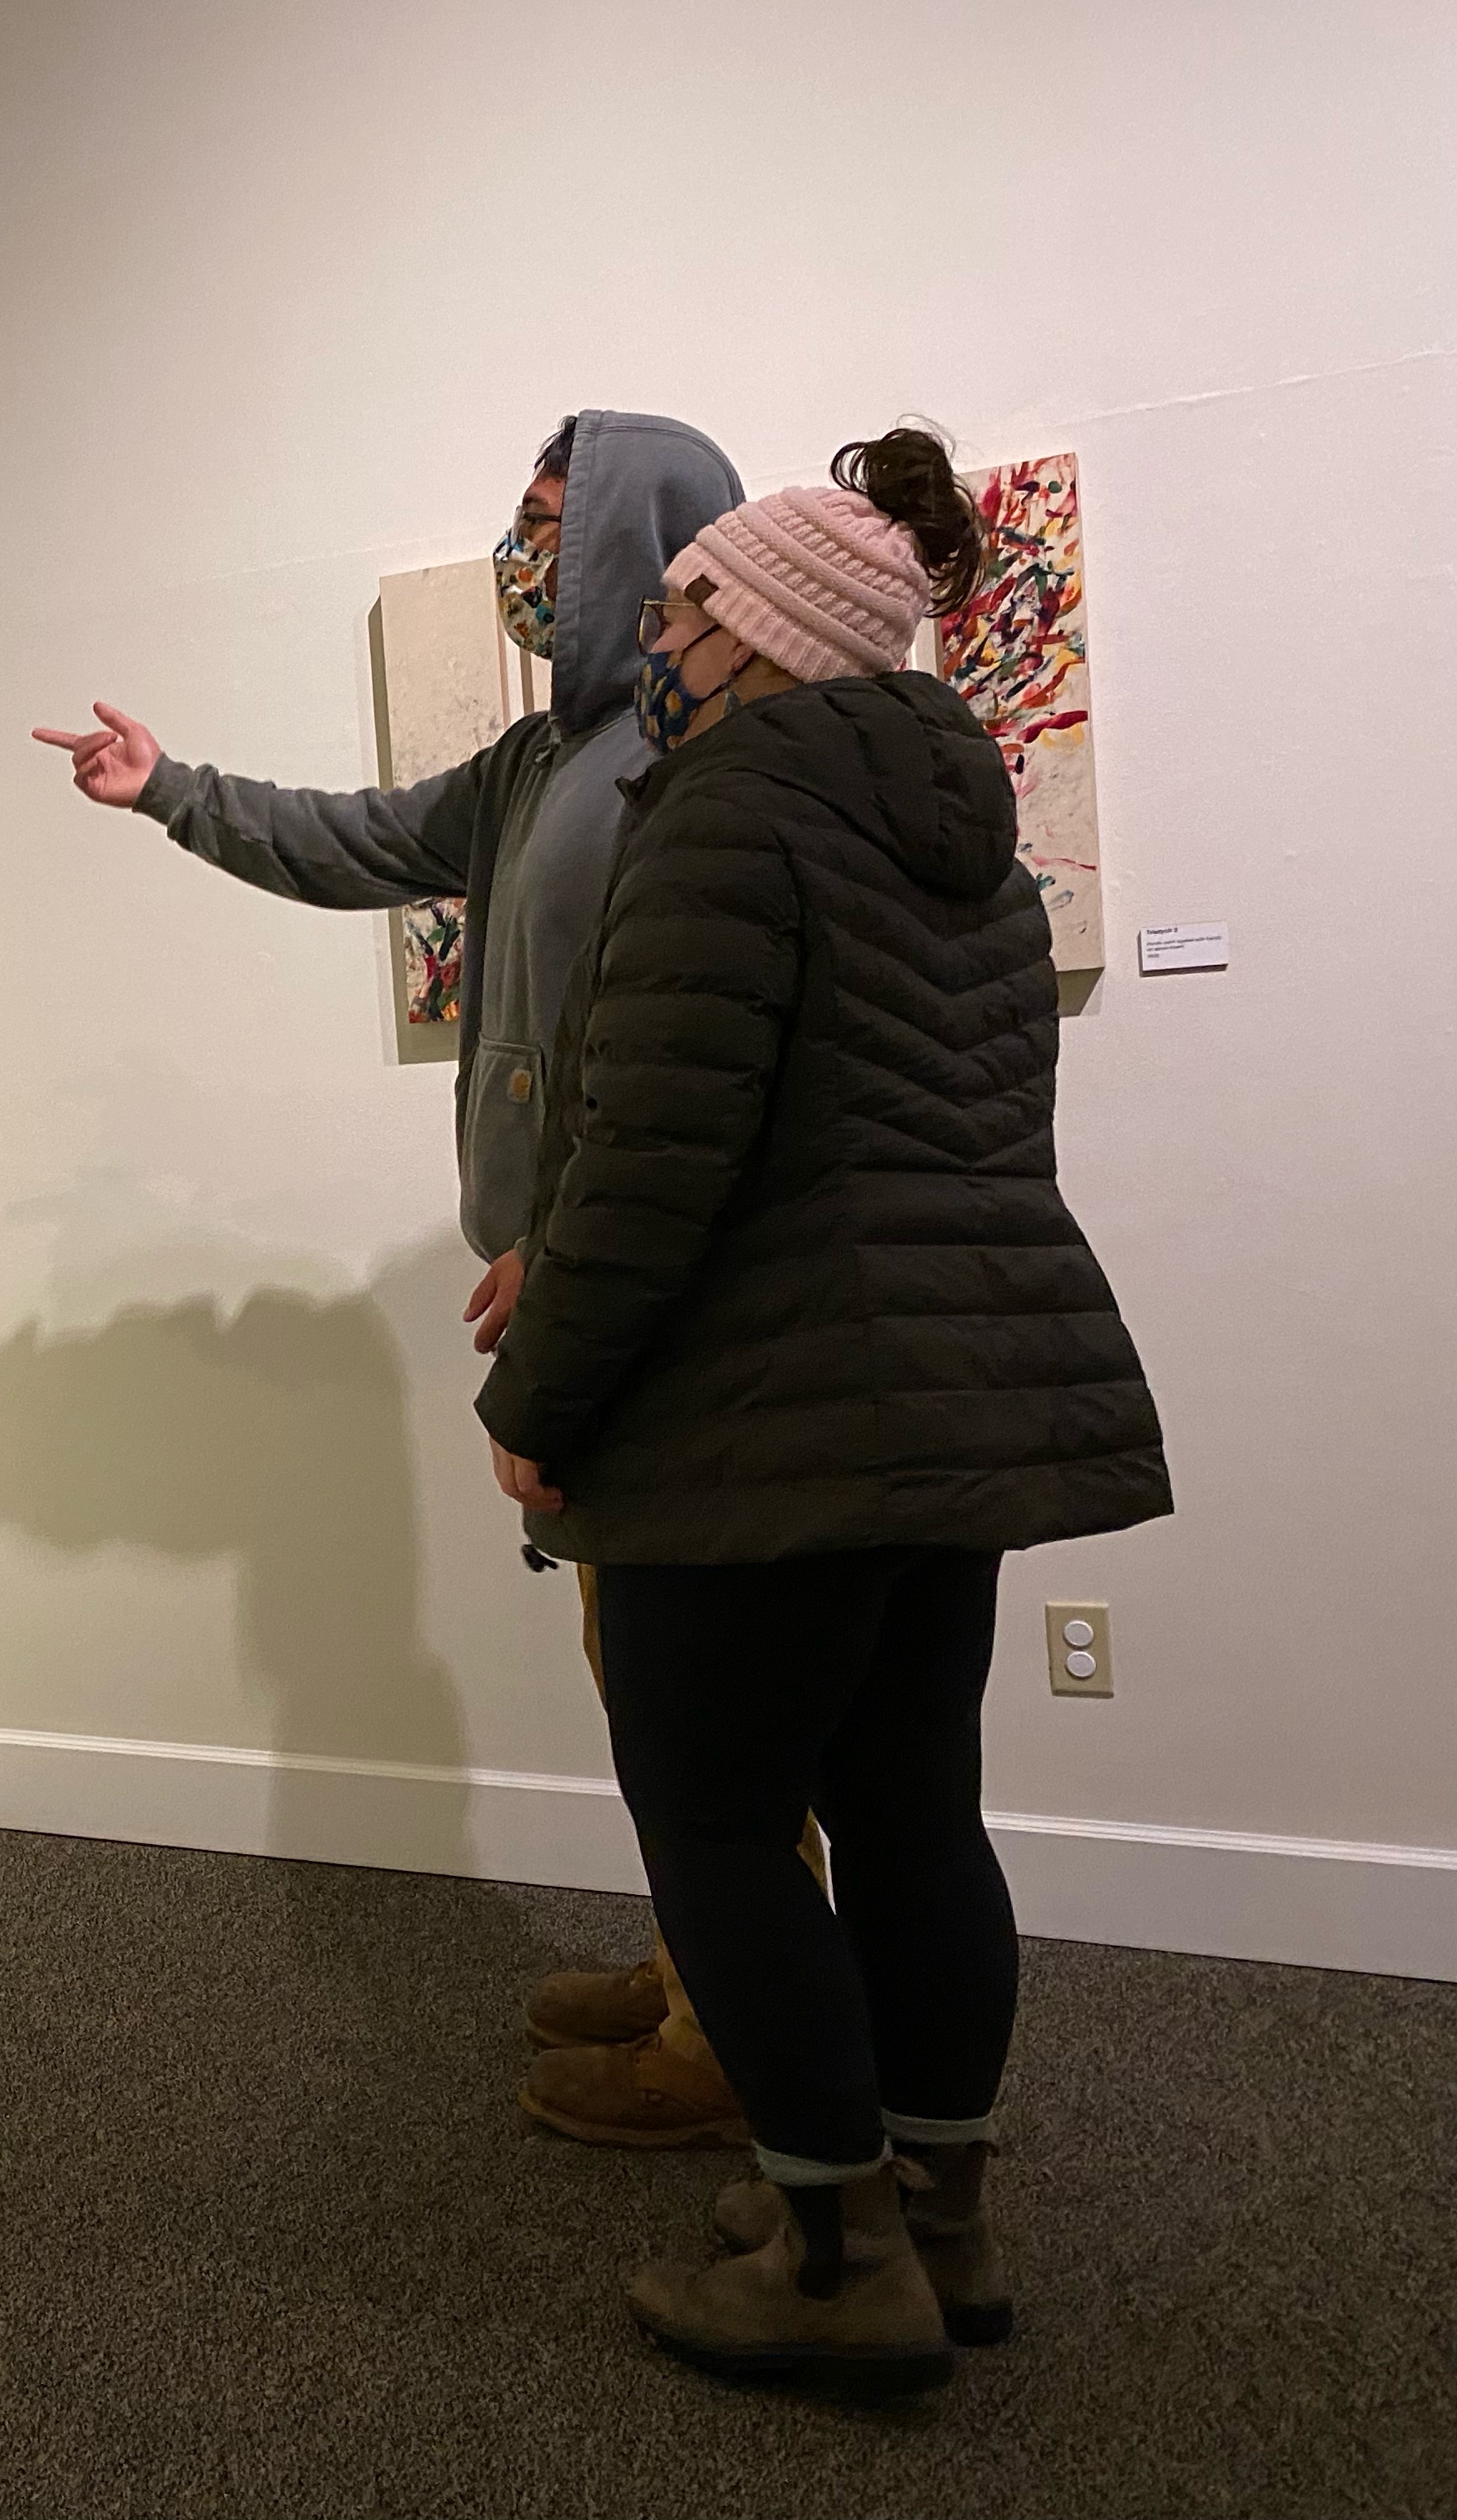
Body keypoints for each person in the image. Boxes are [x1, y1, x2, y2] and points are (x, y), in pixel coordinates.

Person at [473, 428, 1173, 2384]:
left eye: (692, 603)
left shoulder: (728, 814)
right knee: (914, 1809)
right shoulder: (962, 827)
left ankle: (828, 2260)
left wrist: (538, 1405)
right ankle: (937, 2218)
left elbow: (652, 1164)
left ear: (767, 636)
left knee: (712, 1822)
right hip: (955, 1412)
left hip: (765, 1424)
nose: (660, 625)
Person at [33, 412, 772, 2146]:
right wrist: (178, 794)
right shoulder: (540, 766)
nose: (522, 552)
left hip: (643, 1301)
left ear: (638, 540)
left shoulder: (699, 771)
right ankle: (709, 1976)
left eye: (547, 520)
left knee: (702, 1692)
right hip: (574, 1287)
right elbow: (362, 841)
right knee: (648, 1673)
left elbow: (690, 1069)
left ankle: (738, 2043)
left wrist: (573, 1249)